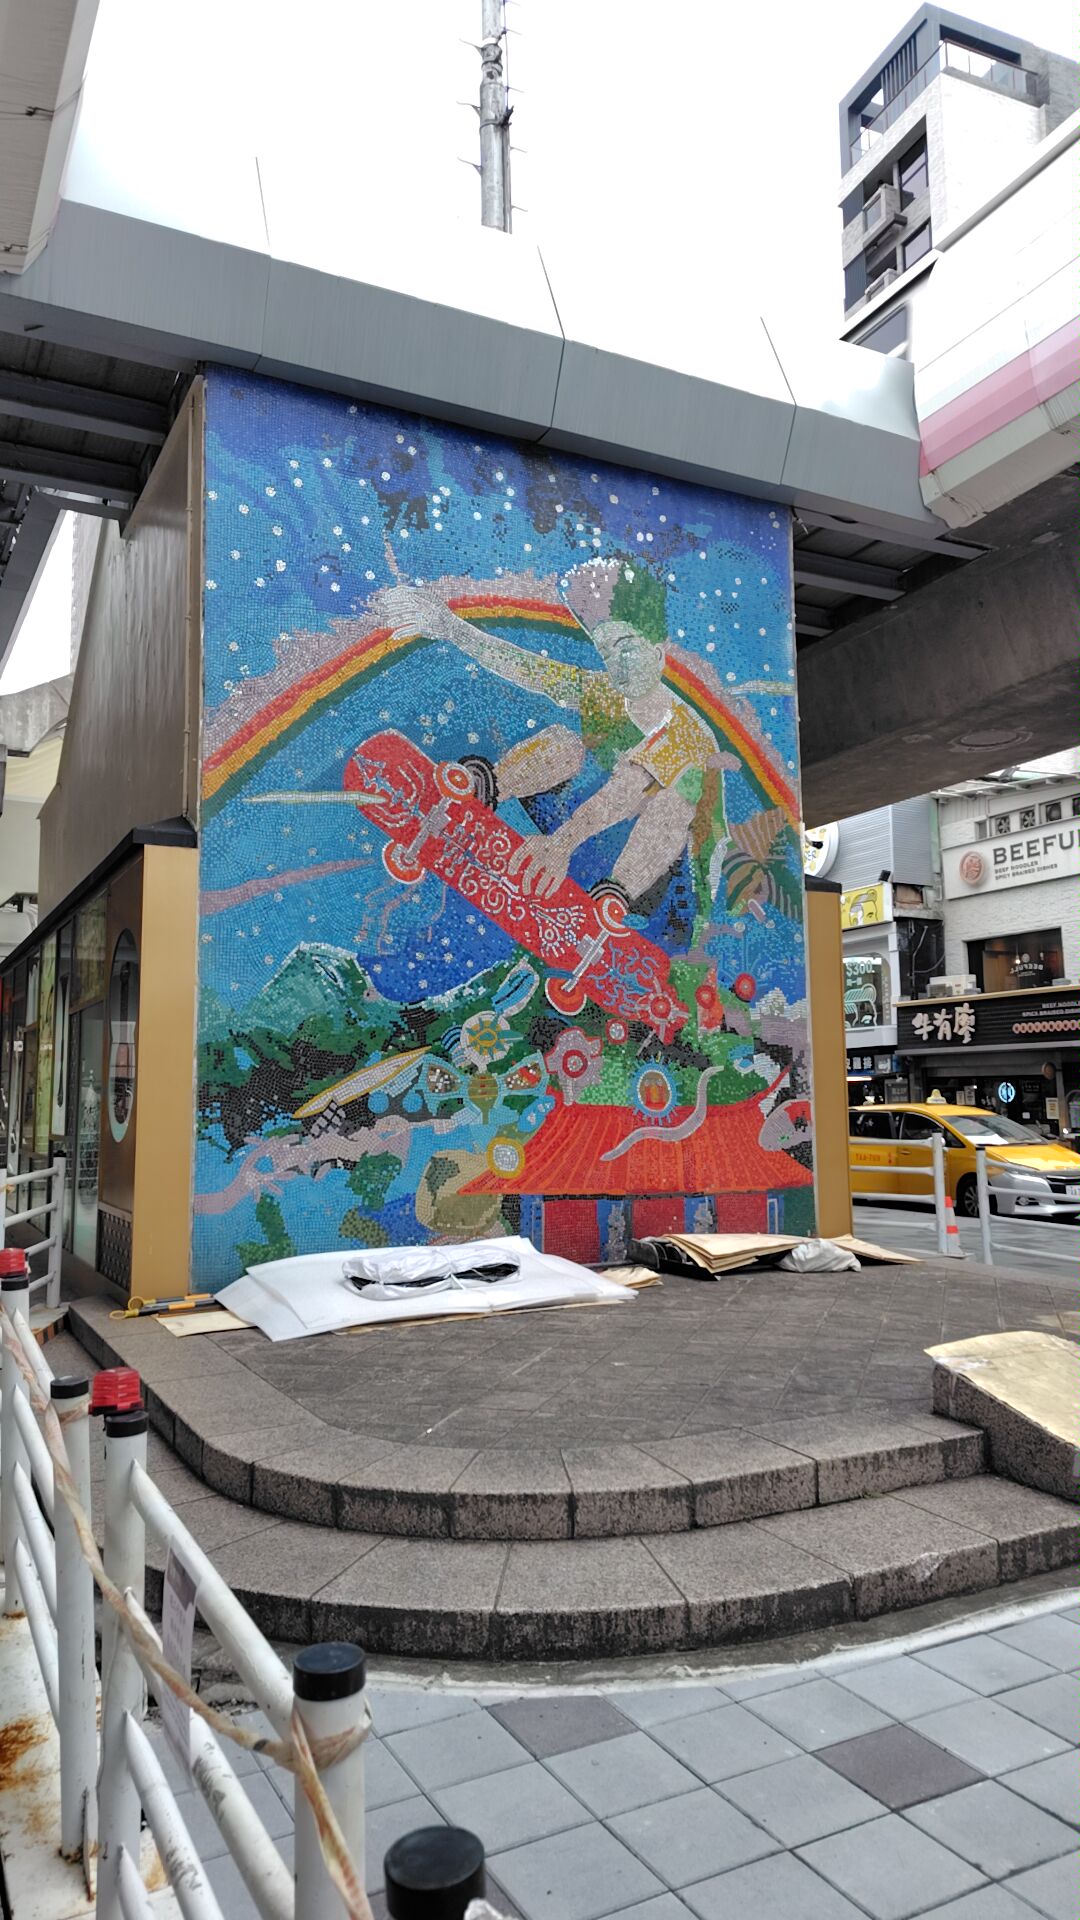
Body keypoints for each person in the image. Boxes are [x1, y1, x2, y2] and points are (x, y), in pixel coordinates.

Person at [383, 580, 734, 908]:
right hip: (578, 822)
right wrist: (451, 628)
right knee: (564, 744)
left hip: (650, 873)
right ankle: (482, 792)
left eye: (626, 650)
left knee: (673, 804)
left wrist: (562, 844)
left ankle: (611, 899)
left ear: (657, 654)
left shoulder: (689, 733)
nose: (617, 667)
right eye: (607, 655)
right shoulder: (604, 693)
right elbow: (531, 670)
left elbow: (628, 789)